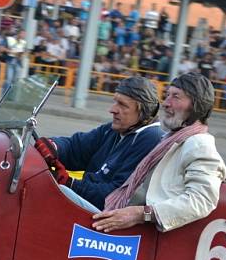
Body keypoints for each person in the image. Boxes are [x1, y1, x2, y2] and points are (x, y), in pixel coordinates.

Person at [92, 72, 226, 232]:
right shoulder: (170, 139)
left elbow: (202, 200)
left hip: (136, 228)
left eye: (176, 97)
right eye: (167, 95)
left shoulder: (199, 143)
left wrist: (141, 214)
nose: (166, 103)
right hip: (121, 214)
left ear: (195, 106)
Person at [34, 76, 163, 210]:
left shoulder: (151, 138)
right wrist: (53, 146)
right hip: (89, 203)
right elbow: (76, 147)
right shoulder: (114, 129)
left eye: (122, 105)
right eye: (115, 102)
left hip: (104, 216)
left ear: (143, 112)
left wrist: (70, 183)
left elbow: (117, 194)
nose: (112, 109)